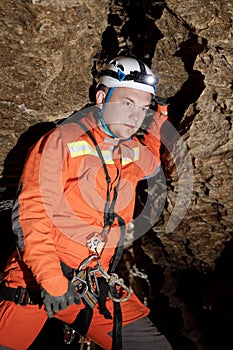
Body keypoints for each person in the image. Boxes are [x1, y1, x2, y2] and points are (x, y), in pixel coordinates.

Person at [0, 56, 172, 350]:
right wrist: (52, 282)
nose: (134, 116)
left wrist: (159, 117)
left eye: (142, 109)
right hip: (36, 280)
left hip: (91, 283)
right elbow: (31, 213)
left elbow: (152, 162)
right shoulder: (62, 140)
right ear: (102, 98)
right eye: (127, 103)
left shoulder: (129, 150)